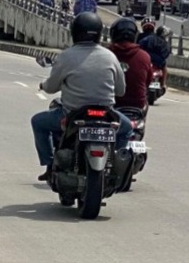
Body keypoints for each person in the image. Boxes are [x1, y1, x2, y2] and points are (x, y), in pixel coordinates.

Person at [32, 12, 132, 181]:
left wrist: (43, 85)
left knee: (38, 122)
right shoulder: (110, 56)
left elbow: (51, 87)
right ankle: (114, 163)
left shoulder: (66, 56)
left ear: (74, 32)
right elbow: (121, 90)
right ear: (99, 33)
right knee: (127, 128)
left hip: (72, 114)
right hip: (106, 114)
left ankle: (49, 165)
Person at [107, 18, 154, 110]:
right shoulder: (144, 56)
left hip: (110, 104)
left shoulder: (106, 54)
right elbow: (148, 81)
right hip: (136, 105)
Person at [138, 20, 170, 87]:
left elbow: (139, 45)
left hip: (146, 57)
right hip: (158, 60)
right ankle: (163, 84)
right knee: (164, 66)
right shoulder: (165, 43)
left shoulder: (148, 38)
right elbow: (166, 53)